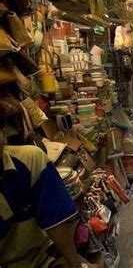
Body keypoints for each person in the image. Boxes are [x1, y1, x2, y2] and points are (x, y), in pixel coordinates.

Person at [0, 108, 99, 267]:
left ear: (3, 133)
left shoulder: (29, 160)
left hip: (42, 258)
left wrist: (76, 265)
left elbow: (56, 223)